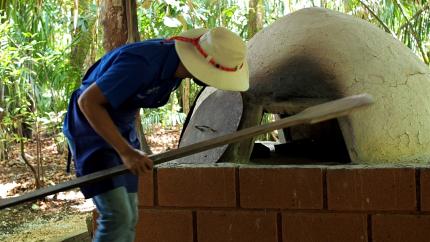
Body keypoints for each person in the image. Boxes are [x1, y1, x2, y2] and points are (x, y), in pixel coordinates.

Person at [63, 27, 249, 242]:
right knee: (117, 216)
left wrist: (129, 146)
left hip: (122, 129)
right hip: (91, 128)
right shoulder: (141, 64)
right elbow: (87, 102)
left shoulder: (174, 71)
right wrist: (125, 151)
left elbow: (131, 99)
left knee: (129, 215)